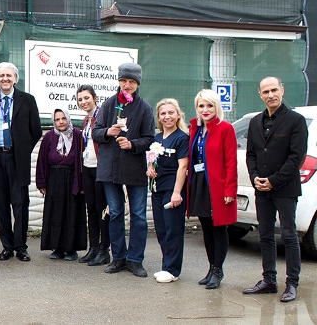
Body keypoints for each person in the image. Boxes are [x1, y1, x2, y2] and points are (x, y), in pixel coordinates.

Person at [242, 77, 307, 302]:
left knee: (289, 236)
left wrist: (274, 180)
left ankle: (291, 284)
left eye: (274, 90)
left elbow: (296, 157)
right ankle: (269, 280)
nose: (270, 95)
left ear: (282, 90)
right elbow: (251, 154)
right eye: (265, 91)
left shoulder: (296, 121)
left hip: (285, 188)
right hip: (262, 189)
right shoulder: (255, 122)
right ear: (260, 94)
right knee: (265, 236)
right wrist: (254, 178)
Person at [93, 62, 155, 277]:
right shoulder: (108, 105)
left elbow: (150, 138)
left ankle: (135, 260)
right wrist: (108, 132)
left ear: (137, 84)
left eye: (132, 82)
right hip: (110, 168)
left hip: (134, 168)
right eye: (123, 81)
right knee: (116, 213)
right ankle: (118, 257)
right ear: (118, 81)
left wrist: (133, 144)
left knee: (138, 215)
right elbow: (96, 132)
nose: (127, 85)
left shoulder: (145, 108)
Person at [0, 62, 42, 262]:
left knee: (21, 203)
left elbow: (36, 130)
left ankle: (21, 246)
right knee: (2, 205)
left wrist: (22, 151)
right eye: (1, 75)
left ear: (15, 78)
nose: (5, 79)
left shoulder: (27, 100)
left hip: (17, 159)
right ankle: (7, 246)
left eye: (9, 75)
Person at [187, 89, 237, 289]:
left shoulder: (225, 128)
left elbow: (231, 162)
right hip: (199, 182)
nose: (205, 110)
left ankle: (218, 270)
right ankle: (211, 268)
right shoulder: (196, 129)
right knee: (205, 227)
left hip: (217, 184)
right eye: (201, 106)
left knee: (218, 228)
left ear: (217, 107)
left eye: (209, 105)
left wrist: (229, 190)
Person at [147, 99, 189, 283]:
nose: (167, 117)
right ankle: (166, 266)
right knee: (161, 229)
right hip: (158, 189)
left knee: (173, 229)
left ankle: (172, 269)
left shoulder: (181, 138)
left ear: (178, 115)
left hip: (173, 190)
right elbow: (152, 158)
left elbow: (183, 167)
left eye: (171, 113)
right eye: (163, 114)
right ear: (158, 117)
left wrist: (177, 192)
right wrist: (149, 168)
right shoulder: (157, 138)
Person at [36, 108, 86, 260]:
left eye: (63, 118)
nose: (61, 122)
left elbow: (83, 160)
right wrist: (42, 182)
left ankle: (71, 249)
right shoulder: (49, 137)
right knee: (55, 212)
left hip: (73, 177)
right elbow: (42, 160)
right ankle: (57, 247)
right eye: (57, 119)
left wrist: (82, 184)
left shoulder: (78, 135)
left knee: (72, 212)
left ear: (68, 118)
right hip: (54, 179)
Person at [76, 85, 109, 266]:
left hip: (100, 169)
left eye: (87, 98)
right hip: (87, 168)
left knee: (102, 210)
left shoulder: (101, 117)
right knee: (91, 210)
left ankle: (105, 250)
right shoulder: (86, 120)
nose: (84, 102)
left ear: (95, 98)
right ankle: (94, 248)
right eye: (80, 99)